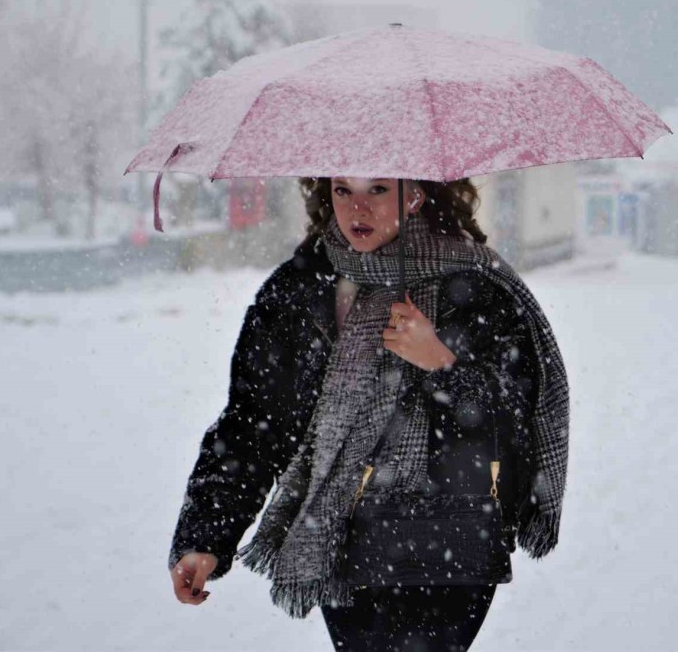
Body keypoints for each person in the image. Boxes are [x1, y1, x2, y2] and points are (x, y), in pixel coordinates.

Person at [168, 177, 570, 651]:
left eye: (378, 189)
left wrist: (441, 365)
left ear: (415, 195)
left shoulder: (477, 287)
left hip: (448, 541)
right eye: (342, 190)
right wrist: (206, 537)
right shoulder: (301, 290)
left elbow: (515, 423)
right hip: (343, 543)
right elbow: (254, 423)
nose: (357, 206)